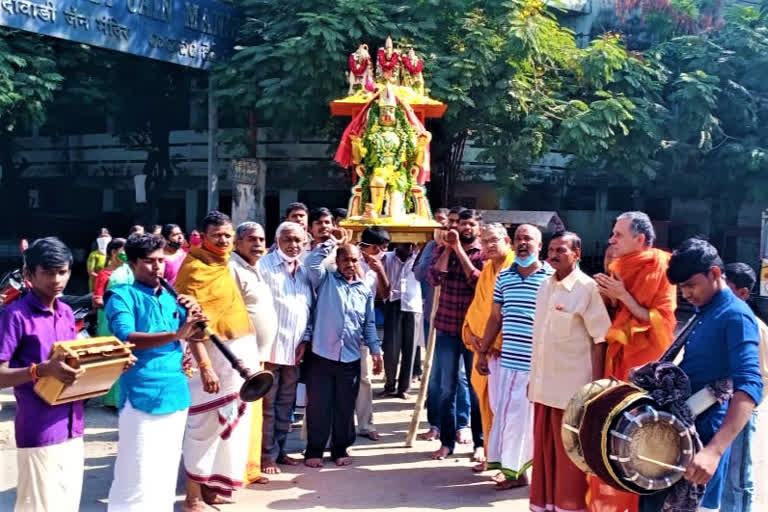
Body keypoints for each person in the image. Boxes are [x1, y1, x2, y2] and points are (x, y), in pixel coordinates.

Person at [639, 238, 763, 512]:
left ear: (715, 274)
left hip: (702, 444)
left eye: (691, 285)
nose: (685, 294)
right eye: (681, 287)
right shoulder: (705, 310)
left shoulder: (736, 316)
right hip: (678, 437)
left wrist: (714, 451)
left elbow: (751, 386)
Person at [105, 234, 205, 511]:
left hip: (175, 390)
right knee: (136, 468)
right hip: (141, 392)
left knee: (165, 467)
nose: (157, 267)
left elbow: (195, 337)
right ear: (134, 263)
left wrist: (194, 318)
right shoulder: (122, 295)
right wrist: (176, 333)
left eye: (161, 260)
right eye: (149, 262)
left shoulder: (173, 296)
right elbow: (127, 336)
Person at [590, 211, 677, 512]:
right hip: (620, 354)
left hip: (646, 363)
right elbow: (620, 312)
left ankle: (635, 499)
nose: (611, 239)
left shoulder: (662, 267)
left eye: (618, 235)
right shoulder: (620, 265)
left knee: (636, 434)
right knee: (612, 430)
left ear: (640, 239)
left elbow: (662, 322)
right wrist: (608, 296)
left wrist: (622, 296)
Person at [175, 211, 260, 509]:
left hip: (238, 359)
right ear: (202, 236)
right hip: (210, 362)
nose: (223, 241)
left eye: (227, 235)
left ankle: (212, 488)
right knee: (203, 426)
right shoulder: (193, 268)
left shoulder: (225, 264)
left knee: (230, 427)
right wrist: (206, 367)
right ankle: (193, 498)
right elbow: (194, 324)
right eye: (216, 236)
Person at [0, 239, 90, 511]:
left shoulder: (64, 311)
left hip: (74, 424)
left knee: (67, 503)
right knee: (39, 506)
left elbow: (71, 362)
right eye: (48, 273)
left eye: (62, 272)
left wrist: (111, 362)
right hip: (40, 426)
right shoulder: (14, 315)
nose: (57, 280)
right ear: (29, 275)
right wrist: (39, 370)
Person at [528, 231, 611, 511]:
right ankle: (545, 505)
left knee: (569, 460)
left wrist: (596, 390)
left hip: (572, 394)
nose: (553, 254)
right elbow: (539, 339)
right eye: (551, 249)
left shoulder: (587, 289)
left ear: (577, 254)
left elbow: (601, 340)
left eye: (560, 250)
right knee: (544, 455)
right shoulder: (544, 287)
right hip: (543, 389)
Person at [476, 224, 554, 489]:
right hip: (507, 363)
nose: (523, 243)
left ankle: (529, 475)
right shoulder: (505, 277)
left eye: (528, 239)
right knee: (506, 418)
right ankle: (514, 473)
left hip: (537, 367)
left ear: (540, 245)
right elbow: (495, 317)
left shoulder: (551, 278)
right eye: (519, 238)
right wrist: (482, 352)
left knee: (528, 423)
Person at [304, 231, 383, 468]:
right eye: (345, 260)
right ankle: (314, 451)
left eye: (354, 260)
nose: (350, 264)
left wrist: (376, 351)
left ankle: (340, 448)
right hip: (321, 355)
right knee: (319, 404)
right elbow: (311, 262)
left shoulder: (364, 290)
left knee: (345, 405)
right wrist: (332, 242)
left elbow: (368, 324)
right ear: (337, 262)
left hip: (350, 357)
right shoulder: (325, 280)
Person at [255, 222, 314, 474]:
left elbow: (309, 309)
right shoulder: (264, 267)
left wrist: (305, 339)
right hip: (269, 349)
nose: (293, 245)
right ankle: (265, 455)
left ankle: (280, 451)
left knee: (286, 405)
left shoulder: (304, 270)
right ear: (277, 240)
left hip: (295, 350)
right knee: (268, 406)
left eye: (299, 241)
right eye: (288, 240)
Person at [428, 208, 485, 460]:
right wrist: (449, 249)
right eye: (463, 224)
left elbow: (477, 280)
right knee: (446, 388)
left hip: (474, 332)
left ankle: (480, 444)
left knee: (475, 389)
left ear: (478, 228)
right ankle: (447, 442)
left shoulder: (484, 254)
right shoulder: (444, 249)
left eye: (471, 224)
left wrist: (460, 252)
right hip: (448, 329)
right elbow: (434, 278)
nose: (466, 228)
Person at [461, 223, 515, 473]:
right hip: (484, 350)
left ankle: (510, 463)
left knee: (508, 411)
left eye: (494, 240)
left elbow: (511, 314)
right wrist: (470, 333)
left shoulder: (515, 270)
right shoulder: (487, 270)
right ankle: (493, 456)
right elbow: (478, 307)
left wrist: (492, 343)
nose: (489, 245)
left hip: (505, 352)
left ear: (507, 240)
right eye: (484, 241)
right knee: (488, 407)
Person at [229, 221, 276, 486]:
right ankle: (233, 472)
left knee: (253, 416)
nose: (258, 244)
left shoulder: (256, 267)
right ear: (238, 244)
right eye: (251, 239)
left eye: (260, 239)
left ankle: (249, 469)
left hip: (258, 356)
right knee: (239, 415)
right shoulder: (233, 269)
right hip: (242, 357)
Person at [721, 262, 768, 512]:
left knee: (738, 479)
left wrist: (744, 408)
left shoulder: (754, 327)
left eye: (727, 289)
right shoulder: (723, 319)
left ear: (743, 293)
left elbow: (762, 377)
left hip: (741, 412)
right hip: (719, 408)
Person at [414, 207, 458, 442]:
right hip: (436, 319)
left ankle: (461, 424)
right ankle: (436, 424)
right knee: (435, 375)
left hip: (462, 321)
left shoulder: (470, 249)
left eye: (451, 223)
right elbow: (420, 275)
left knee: (460, 377)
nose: (447, 228)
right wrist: (435, 248)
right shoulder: (433, 247)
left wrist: (454, 248)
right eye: (442, 224)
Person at [357, 226, 391, 441]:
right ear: (368, 246)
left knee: (365, 379)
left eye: (385, 248)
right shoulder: (349, 258)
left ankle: (365, 424)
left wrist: (379, 271)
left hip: (364, 326)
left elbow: (385, 294)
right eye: (379, 247)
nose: (382, 252)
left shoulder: (377, 265)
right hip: (338, 328)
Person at [381, 242, 422, 398]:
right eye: (403, 244)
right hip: (393, 302)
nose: (407, 247)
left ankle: (404, 388)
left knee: (410, 349)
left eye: (409, 244)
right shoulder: (387, 257)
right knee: (391, 348)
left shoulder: (418, 257)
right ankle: (389, 385)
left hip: (413, 305)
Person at [93, 237, 128, 408]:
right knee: (112, 359)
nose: (126, 255)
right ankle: (111, 400)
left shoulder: (130, 272)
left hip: (127, 320)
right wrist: (117, 305)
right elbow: (97, 300)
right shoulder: (104, 274)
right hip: (108, 322)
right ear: (114, 252)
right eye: (124, 251)